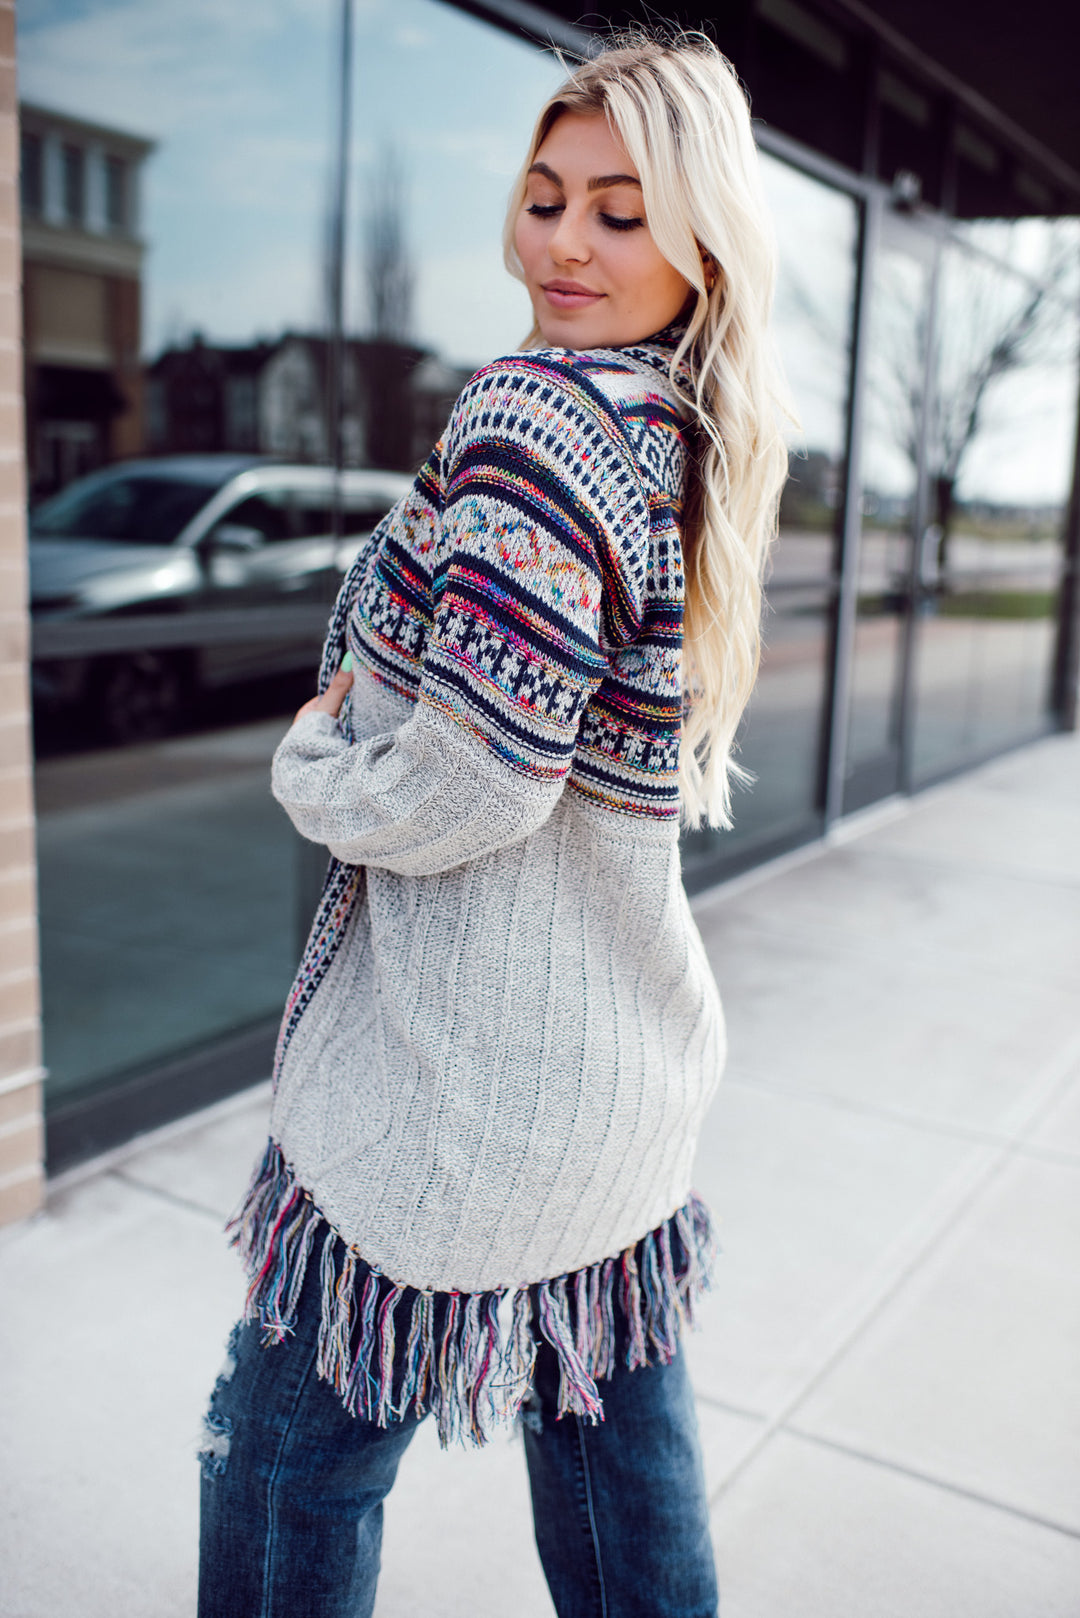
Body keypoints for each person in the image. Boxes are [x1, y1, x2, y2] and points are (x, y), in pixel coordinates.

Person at [198, 30, 789, 1618]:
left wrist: (313, 766)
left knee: (284, 1468)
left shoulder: (536, 417)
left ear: (699, 238)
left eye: (618, 209)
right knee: (619, 1490)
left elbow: (473, 780)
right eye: (543, 198)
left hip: (456, 1110)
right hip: (615, 1101)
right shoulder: (672, 428)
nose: (564, 244)